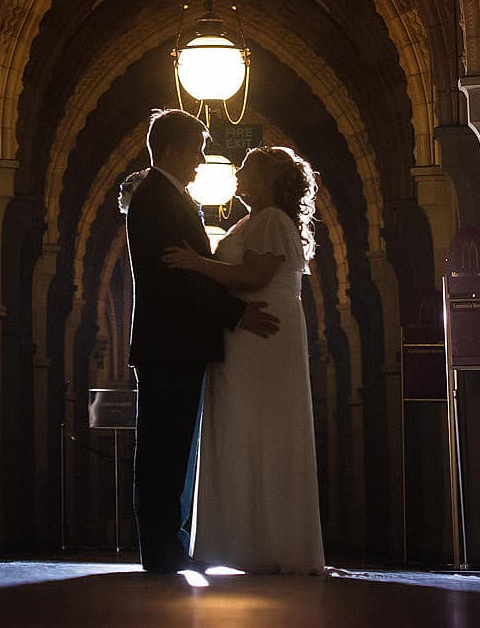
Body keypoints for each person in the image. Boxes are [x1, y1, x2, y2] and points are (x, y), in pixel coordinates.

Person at [119, 109, 281, 574]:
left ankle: (167, 543)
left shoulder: (166, 197)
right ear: (172, 149)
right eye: (197, 149)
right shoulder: (158, 199)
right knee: (164, 447)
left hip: (174, 342)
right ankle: (161, 547)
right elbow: (178, 278)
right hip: (170, 343)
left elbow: (189, 270)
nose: (201, 160)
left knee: (171, 445)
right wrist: (239, 313)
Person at [162, 145, 326, 574]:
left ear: (270, 178)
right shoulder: (255, 220)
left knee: (262, 423)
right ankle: (250, 540)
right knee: (246, 424)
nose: (239, 175)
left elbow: (254, 277)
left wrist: (195, 263)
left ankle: (264, 542)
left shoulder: (271, 220)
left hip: (262, 331)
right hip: (248, 331)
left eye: (248, 168)